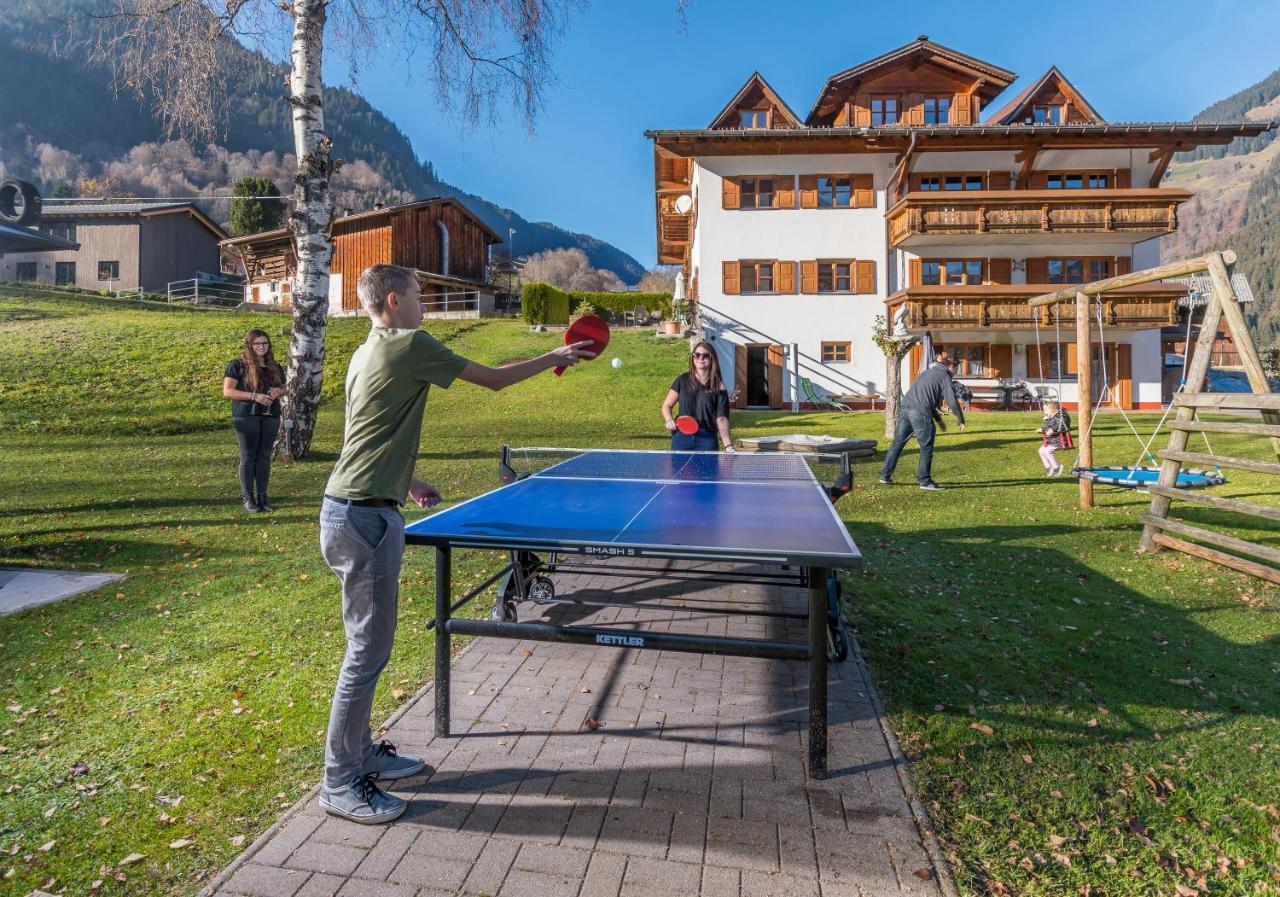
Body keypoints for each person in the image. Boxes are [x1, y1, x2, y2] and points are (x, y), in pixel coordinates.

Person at [319, 264, 593, 825]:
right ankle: (340, 780)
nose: (426, 304)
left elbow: (366, 431)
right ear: (393, 300)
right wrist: (555, 358)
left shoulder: (364, 350)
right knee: (366, 654)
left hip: (358, 506)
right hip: (364, 520)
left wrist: (405, 479)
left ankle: (361, 751)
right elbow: (492, 380)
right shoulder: (408, 343)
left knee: (368, 649)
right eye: (420, 295)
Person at [879, 352, 965, 490]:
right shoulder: (945, 375)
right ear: (951, 366)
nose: (956, 372)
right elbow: (951, 400)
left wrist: (939, 420)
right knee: (926, 447)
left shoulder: (928, 372)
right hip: (919, 412)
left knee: (898, 444)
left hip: (905, 408)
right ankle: (925, 481)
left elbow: (927, 399)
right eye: (956, 369)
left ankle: (884, 476)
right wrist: (961, 418)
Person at [222, 329, 286, 512]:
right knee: (249, 457)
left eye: (264, 343)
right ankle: (248, 499)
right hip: (246, 415)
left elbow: (284, 386)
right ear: (249, 345)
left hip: (270, 415)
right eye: (257, 344)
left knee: (264, 456)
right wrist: (254, 396)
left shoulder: (274, 365)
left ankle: (263, 497)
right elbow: (228, 391)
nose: (261, 347)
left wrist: (280, 391)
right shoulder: (237, 365)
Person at [661, 341, 734, 451]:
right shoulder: (682, 380)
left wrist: (728, 446)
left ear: (712, 359)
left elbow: (722, 418)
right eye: (696, 355)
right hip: (681, 437)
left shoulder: (719, 386)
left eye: (705, 355)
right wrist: (669, 419)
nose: (700, 358)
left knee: (708, 469)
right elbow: (666, 405)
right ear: (692, 358)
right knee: (679, 468)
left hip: (707, 439)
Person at [1036, 400, 1072, 477]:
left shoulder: (1062, 416)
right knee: (1041, 451)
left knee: (1048, 451)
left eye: (1046, 410)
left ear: (1053, 409)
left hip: (1060, 440)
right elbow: (1047, 427)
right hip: (1051, 440)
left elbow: (1062, 425)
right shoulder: (1051, 417)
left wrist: (1053, 430)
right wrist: (1042, 428)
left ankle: (1057, 467)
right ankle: (1049, 467)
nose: (1044, 412)